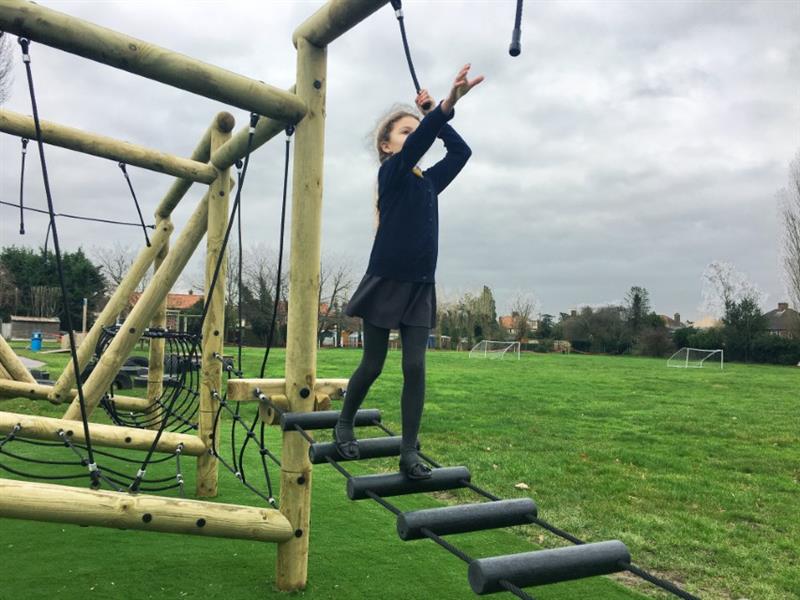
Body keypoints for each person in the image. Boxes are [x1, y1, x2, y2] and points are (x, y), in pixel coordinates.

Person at [334, 64, 484, 480]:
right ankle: (344, 422)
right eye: (404, 131)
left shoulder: (429, 183)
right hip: (387, 280)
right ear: (386, 146)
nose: (413, 135)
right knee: (374, 363)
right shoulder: (392, 174)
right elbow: (421, 143)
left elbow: (461, 154)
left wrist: (439, 110)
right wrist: (444, 109)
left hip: (420, 286)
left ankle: (409, 451)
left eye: (413, 130)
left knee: (415, 367)